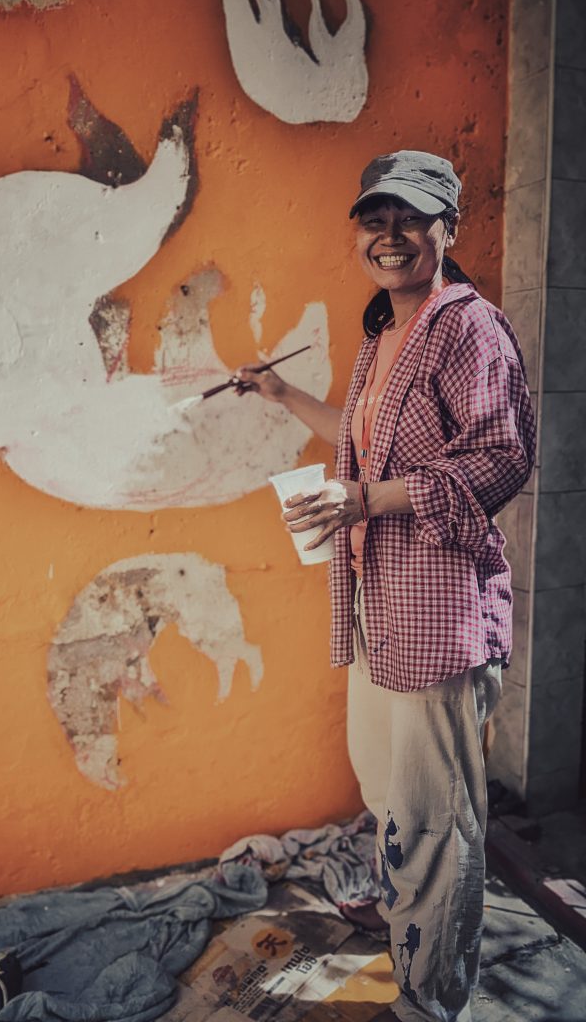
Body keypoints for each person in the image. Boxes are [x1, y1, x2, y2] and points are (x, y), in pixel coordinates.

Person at [235, 150, 536, 1022]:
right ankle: (411, 924)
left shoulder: (469, 327)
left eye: (411, 217)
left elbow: (502, 457)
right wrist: (282, 393)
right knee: (387, 791)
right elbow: (362, 448)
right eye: (376, 218)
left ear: (449, 228)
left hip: (439, 612)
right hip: (382, 605)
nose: (391, 234)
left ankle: (431, 999)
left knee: (437, 819)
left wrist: (365, 500)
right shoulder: (384, 335)